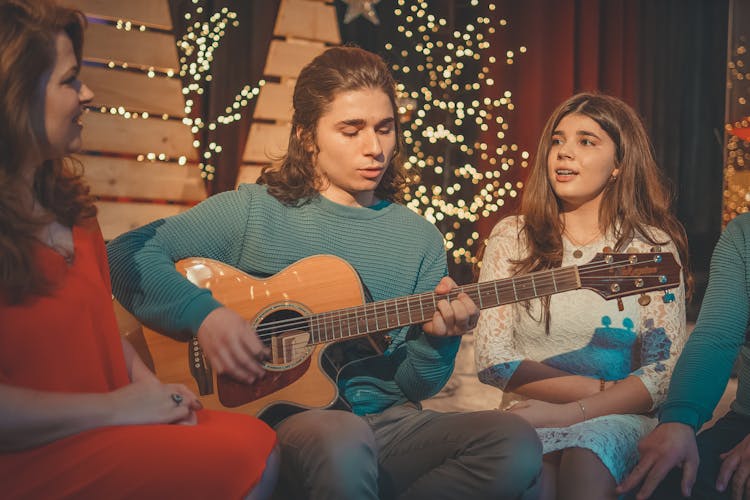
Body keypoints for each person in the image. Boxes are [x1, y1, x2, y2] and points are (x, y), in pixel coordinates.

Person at [107, 45, 543, 499]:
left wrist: (439, 339)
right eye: (350, 130)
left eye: (385, 128)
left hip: (391, 425)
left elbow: (413, 385)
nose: (374, 148)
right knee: (341, 438)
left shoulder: (419, 239)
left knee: (513, 442)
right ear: (307, 135)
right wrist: (205, 316)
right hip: (293, 425)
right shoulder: (253, 211)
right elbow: (124, 255)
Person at [0, 1, 279, 498]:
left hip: (110, 427)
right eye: (69, 80)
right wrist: (123, 407)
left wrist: (153, 392)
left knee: (258, 441)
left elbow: (104, 332)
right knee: (239, 461)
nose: (88, 93)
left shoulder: (76, 213)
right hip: (34, 455)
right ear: (14, 97)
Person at [473, 92, 691, 499]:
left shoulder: (650, 249)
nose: (564, 153)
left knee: (586, 454)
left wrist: (575, 411)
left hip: (619, 417)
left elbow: (661, 377)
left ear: (619, 165)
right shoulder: (511, 237)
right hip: (528, 413)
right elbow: (492, 360)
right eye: (557, 141)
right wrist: (597, 388)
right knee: (532, 467)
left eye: (586, 141)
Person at [618, 213, 750, 499]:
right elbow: (717, 337)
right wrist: (679, 420)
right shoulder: (743, 233)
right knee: (666, 484)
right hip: (745, 421)